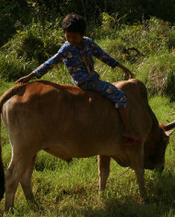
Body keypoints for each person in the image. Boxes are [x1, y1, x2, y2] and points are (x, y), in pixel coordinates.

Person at [16, 13, 141, 145]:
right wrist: (31, 75)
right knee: (120, 96)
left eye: (74, 37)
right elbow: (50, 63)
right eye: (68, 36)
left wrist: (123, 67)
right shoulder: (66, 48)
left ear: (83, 34)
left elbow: (104, 56)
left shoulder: (89, 43)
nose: (71, 39)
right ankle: (127, 130)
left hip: (93, 79)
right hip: (86, 83)